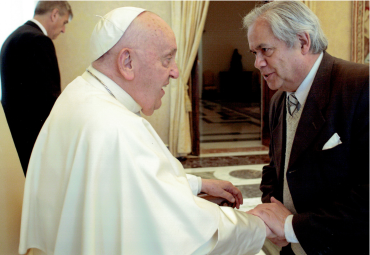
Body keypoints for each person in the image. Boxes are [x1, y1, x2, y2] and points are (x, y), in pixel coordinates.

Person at [19, 7, 275, 255]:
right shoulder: (115, 127)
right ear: (127, 62)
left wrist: (197, 184)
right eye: (167, 59)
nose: (176, 71)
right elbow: (183, 236)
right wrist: (258, 225)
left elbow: (129, 183)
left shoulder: (80, 92)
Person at [243, 1, 369, 255]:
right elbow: (275, 169)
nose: (258, 63)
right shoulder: (279, 99)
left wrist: (292, 227)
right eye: (254, 53)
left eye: (265, 50)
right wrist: (273, 215)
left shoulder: (360, 87)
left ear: (302, 42)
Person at [0, 1, 73, 175]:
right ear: (54, 14)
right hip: (33, 140)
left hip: (12, 137)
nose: (63, 30)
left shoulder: (12, 37)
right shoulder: (39, 41)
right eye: (64, 22)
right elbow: (49, 98)